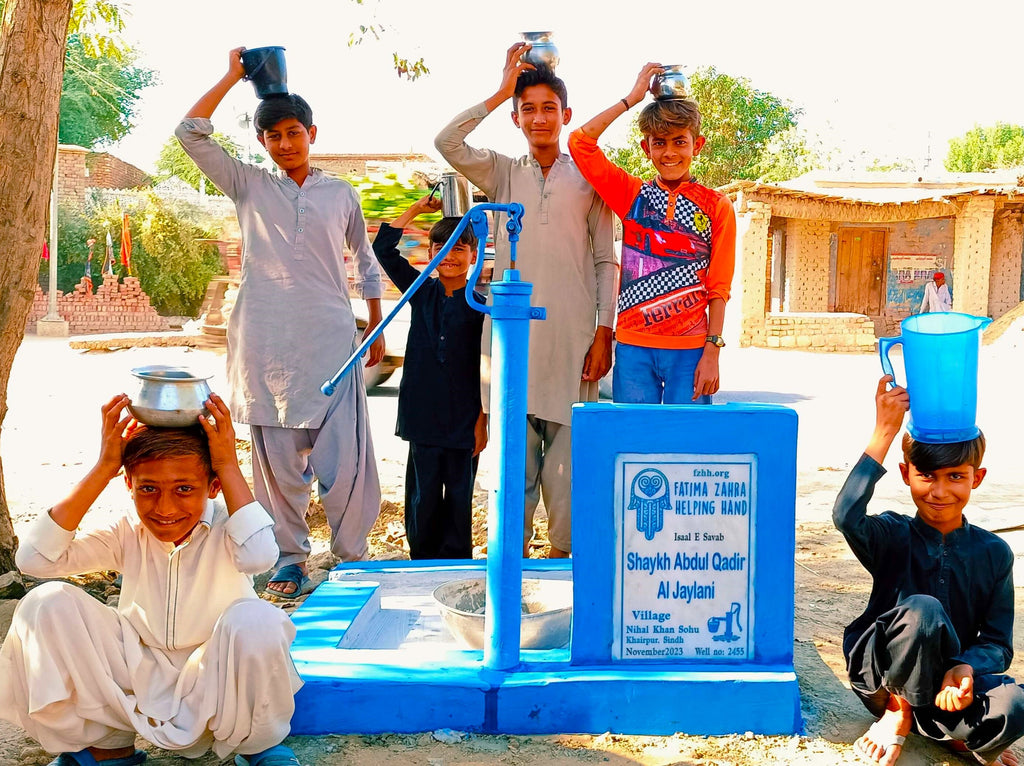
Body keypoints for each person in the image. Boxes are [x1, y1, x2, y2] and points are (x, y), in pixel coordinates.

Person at [175, 48, 385, 596]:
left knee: (348, 462)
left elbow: (365, 262)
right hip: (264, 345)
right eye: (274, 136)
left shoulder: (341, 194)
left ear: (312, 133)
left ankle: (351, 560)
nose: (285, 144)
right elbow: (190, 133)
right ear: (263, 143)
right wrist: (230, 75)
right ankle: (290, 558)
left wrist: (375, 323)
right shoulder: (248, 184)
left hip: (333, 344)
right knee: (276, 466)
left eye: (294, 132)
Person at [0, 393, 303, 766]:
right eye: (148, 489)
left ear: (213, 486)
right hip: (137, 675)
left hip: (218, 681)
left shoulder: (231, 525)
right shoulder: (126, 531)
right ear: (129, 485)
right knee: (44, 604)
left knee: (258, 619)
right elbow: (34, 559)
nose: (165, 508)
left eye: (184, 489)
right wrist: (104, 466)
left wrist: (226, 461)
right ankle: (108, 749)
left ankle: (259, 747)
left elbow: (260, 557)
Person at [434, 43, 617, 559]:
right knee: (514, 473)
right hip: (512, 343)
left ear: (567, 115)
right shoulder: (501, 172)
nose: (540, 118)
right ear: (515, 118)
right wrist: (498, 90)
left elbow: (607, 259)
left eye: (549, 108)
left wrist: (604, 331)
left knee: (567, 476)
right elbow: (446, 141)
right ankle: (510, 579)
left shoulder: (589, 175)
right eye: (528, 109)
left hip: (575, 340)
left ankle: (563, 567)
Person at [832, 375, 1024, 766]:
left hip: (944, 687)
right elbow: (845, 515)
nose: (939, 492)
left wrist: (966, 668)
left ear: (977, 477)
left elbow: (998, 644)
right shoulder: (891, 534)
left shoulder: (995, 552)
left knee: (1015, 703)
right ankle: (899, 713)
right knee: (923, 609)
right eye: (926, 476)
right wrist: (885, 430)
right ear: (906, 475)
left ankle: (949, 730)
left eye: (956, 476)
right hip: (884, 678)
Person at [568, 63, 736, 405]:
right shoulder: (632, 196)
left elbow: (719, 286)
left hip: (690, 350)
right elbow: (580, 143)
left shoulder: (717, 205)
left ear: (697, 145)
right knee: (633, 446)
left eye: (679, 142)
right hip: (633, 347)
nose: (670, 153)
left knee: (685, 449)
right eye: (659, 143)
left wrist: (712, 351)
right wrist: (631, 99)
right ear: (646, 149)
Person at [371, 195, 488, 559]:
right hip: (422, 418)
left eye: (459, 247)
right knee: (421, 499)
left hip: (463, 422)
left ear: (474, 255)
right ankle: (421, 561)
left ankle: (455, 567)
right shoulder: (420, 291)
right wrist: (417, 210)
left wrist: (483, 421)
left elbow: (487, 371)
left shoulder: (483, 306)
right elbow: (383, 248)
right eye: (440, 246)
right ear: (430, 252)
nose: (449, 254)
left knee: (458, 498)